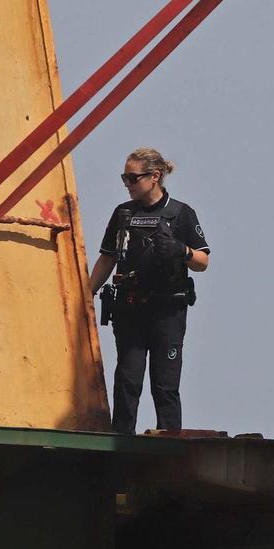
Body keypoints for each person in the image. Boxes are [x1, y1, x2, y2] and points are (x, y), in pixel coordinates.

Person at [89, 148, 210, 434]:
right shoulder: (123, 213)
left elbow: (202, 262)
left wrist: (183, 250)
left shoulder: (180, 213)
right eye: (124, 178)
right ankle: (121, 441)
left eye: (133, 178)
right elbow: (107, 258)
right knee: (127, 381)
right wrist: (85, 295)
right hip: (130, 309)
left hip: (167, 311)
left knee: (165, 385)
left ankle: (168, 443)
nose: (127, 184)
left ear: (155, 176)